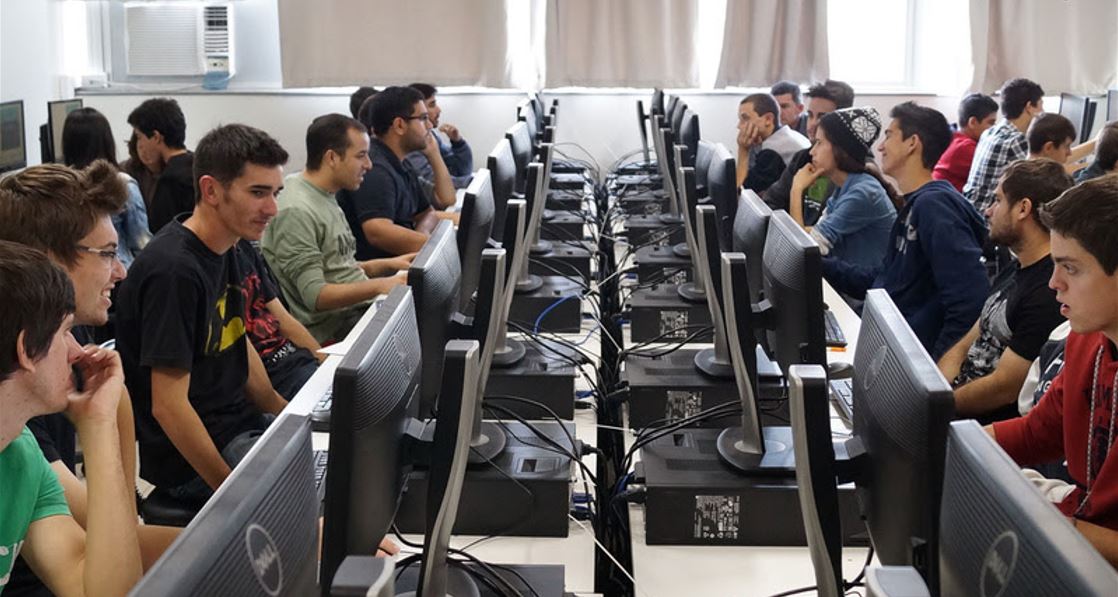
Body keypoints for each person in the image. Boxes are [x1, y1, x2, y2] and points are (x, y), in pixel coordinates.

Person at [0, 164, 180, 595]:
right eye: (106, 253)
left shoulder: (19, 452)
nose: (120, 271)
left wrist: (97, 427)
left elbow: (107, 580)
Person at [115, 124, 290, 505]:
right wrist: (232, 495)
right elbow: (169, 406)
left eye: (276, 193)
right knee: (316, 503)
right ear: (211, 190)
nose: (272, 209)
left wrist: (285, 414)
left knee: (336, 460)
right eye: (258, 193)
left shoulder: (226, 245)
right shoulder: (174, 271)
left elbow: (236, 336)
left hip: (237, 429)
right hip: (192, 462)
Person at [987, 175, 1118, 567]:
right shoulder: (1088, 340)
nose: (1053, 283)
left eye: (1070, 269)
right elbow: (1039, 432)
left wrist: (1045, 523)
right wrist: (948, 444)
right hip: (1080, 540)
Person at [0, 241, 142, 597]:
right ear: (26, 348)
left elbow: (106, 591)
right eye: (65, 332)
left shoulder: (20, 453)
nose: (78, 352)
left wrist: (97, 425)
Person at [824, 102, 989, 359]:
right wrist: (817, 263)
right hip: (884, 339)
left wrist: (936, 370)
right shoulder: (915, 204)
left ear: (913, 143)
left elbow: (968, 299)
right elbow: (883, 280)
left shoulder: (934, 206)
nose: (880, 146)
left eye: (889, 136)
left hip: (907, 357)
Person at [938, 159, 1071, 424]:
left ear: (1023, 208)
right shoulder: (1018, 265)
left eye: (998, 200)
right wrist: (936, 390)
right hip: (953, 407)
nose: (988, 211)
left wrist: (937, 406)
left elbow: (1004, 388)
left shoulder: (1047, 291)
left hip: (980, 430)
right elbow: (969, 339)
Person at [263, 114, 410, 343]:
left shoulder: (325, 193)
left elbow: (336, 267)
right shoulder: (297, 210)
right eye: (361, 156)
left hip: (352, 314)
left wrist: (388, 265)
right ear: (332, 157)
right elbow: (316, 295)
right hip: (335, 329)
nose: (369, 165)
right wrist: (382, 285)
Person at [337, 86, 444, 259]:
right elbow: (378, 231)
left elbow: (427, 213)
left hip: (401, 263)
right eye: (423, 119)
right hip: (380, 274)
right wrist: (436, 249)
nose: (430, 125)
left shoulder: (400, 161)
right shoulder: (375, 168)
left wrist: (421, 235)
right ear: (400, 125)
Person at [789, 106, 896, 270]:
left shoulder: (863, 193)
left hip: (864, 292)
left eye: (819, 143)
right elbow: (813, 234)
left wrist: (796, 190)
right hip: (849, 286)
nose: (812, 152)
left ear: (840, 149)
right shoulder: (845, 187)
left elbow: (804, 252)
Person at [62, 107, 151, 269]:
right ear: (107, 141)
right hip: (118, 272)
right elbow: (141, 243)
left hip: (78, 273)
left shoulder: (62, 188)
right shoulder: (122, 185)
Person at [763, 79, 856, 224]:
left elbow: (824, 238)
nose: (812, 124)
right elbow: (771, 202)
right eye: (810, 115)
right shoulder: (803, 156)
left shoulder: (855, 170)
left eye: (822, 117)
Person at [963, 78, 1045, 213]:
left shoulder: (991, 132)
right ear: (1029, 107)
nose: (1043, 111)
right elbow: (1046, 173)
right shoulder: (1016, 140)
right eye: (1041, 105)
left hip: (971, 213)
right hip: (987, 221)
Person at [128, 98, 192, 234]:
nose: (139, 145)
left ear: (156, 137)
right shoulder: (199, 164)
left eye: (139, 137)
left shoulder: (171, 181)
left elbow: (161, 235)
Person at [735, 92, 810, 194]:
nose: (739, 126)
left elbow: (742, 191)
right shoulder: (787, 135)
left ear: (768, 119)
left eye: (745, 119)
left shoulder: (773, 152)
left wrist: (743, 151)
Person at [405, 83, 474, 191]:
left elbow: (460, 171)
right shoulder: (411, 144)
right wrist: (473, 182)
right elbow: (431, 182)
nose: (439, 110)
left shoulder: (430, 136)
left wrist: (458, 143)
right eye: (432, 105)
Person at [932, 93, 999, 192]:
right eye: (991, 122)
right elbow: (998, 172)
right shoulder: (964, 148)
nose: (995, 128)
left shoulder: (955, 139)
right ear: (973, 122)